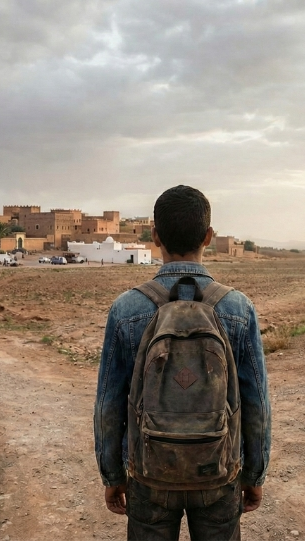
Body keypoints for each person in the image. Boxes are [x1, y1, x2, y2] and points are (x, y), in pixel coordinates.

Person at [94, 185, 271, 540]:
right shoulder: (237, 308)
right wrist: (254, 475)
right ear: (208, 236)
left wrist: (113, 475)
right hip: (219, 472)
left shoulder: (127, 309)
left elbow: (108, 404)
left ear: (155, 237)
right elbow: (256, 402)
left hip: (149, 472)